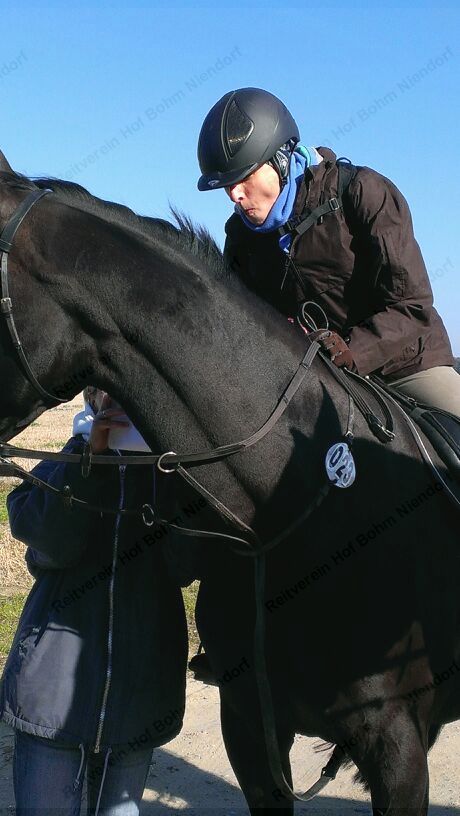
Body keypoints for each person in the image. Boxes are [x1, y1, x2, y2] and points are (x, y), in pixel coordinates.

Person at [197, 87, 460, 418]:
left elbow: (412, 305)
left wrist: (353, 351)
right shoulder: (240, 236)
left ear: (280, 160)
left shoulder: (362, 191)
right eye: (226, 185)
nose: (234, 194)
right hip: (315, 378)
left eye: (244, 177)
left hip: (406, 366)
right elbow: (240, 321)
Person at [0, 386, 188, 815]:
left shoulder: (167, 473)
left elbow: (185, 565)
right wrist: (91, 462)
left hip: (140, 698)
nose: (116, 397)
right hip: (51, 696)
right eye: (104, 388)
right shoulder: (64, 462)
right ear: (88, 397)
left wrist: (176, 473)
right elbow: (52, 546)